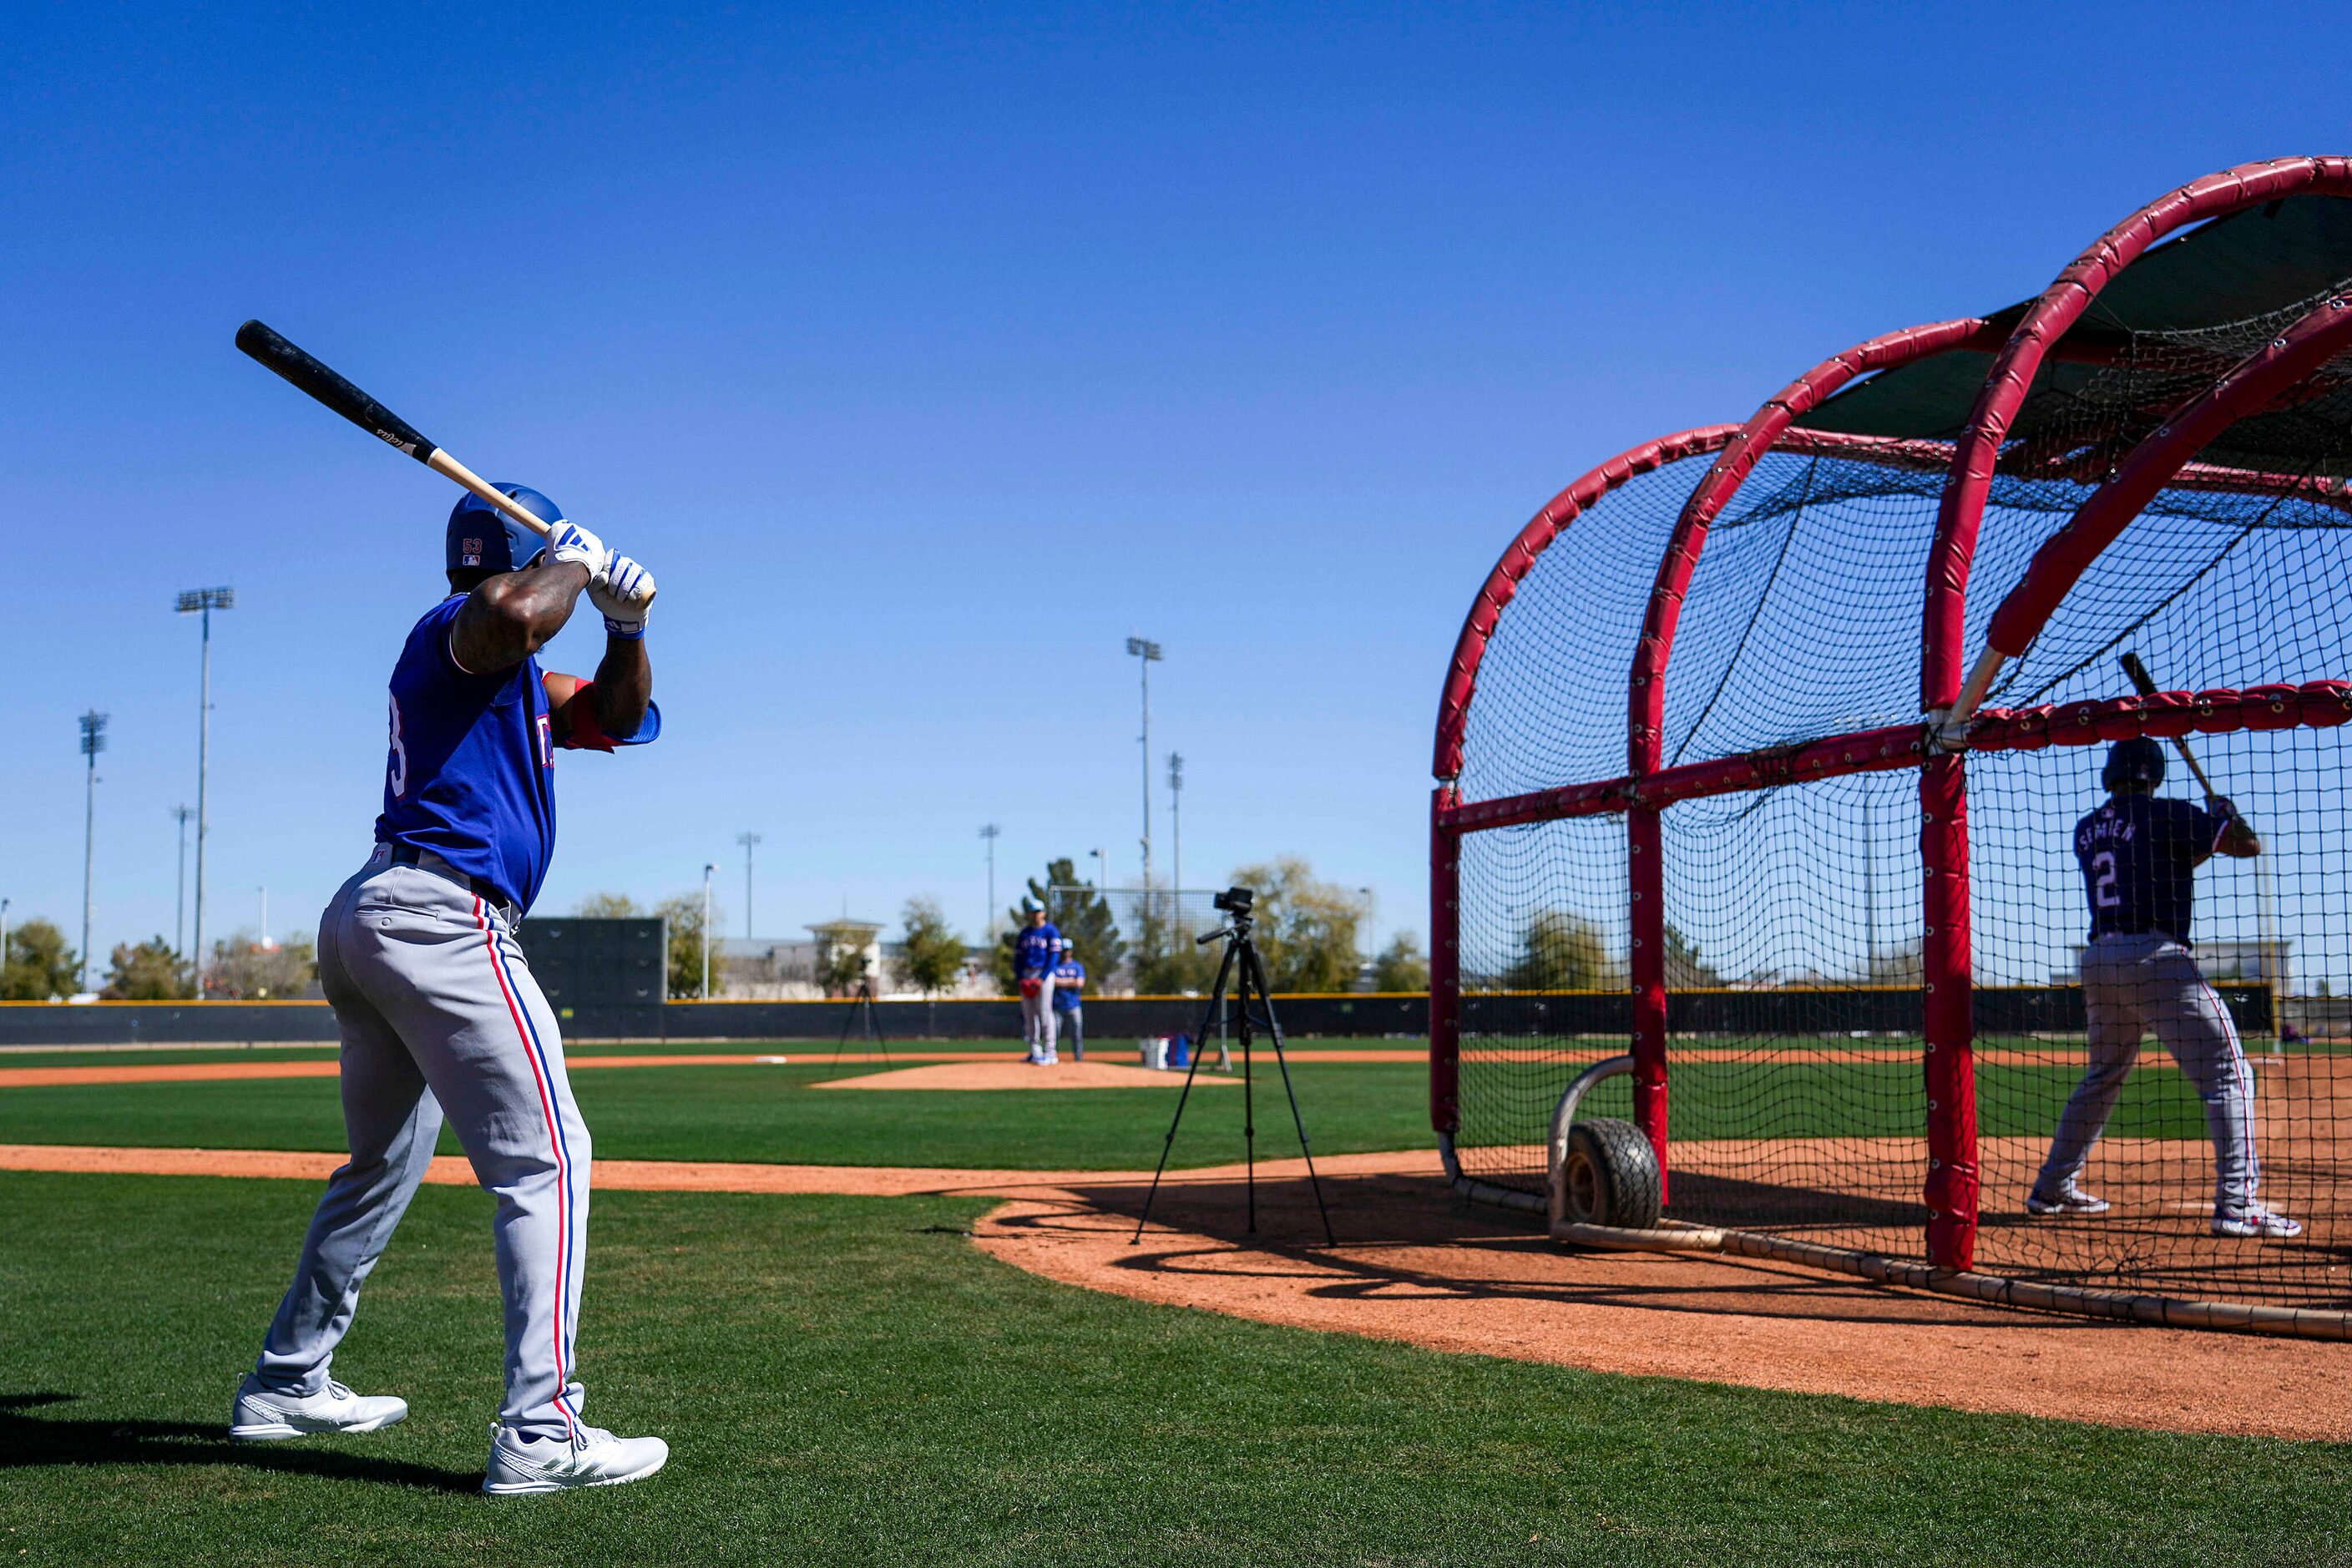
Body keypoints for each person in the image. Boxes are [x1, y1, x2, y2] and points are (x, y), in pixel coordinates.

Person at [230, 484, 677, 1493]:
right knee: (549, 1161)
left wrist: (624, 623)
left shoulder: (515, 678)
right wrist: (573, 559)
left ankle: (286, 1381)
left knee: (382, 1164)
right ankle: (540, 1432)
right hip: (442, 914)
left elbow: (621, 713)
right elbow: (511, 613)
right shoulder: (459, 632)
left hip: (382, 915)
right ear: (525, 553)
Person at [2026, 736, 2299, 1239]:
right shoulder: (2169, 813)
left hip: (2101, 959)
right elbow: (2248, 845)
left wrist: (2210, 828)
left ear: (2111, 774)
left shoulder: (2087, 829)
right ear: (2155, 775)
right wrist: (2223, 815)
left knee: (2102, 1076)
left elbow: (2163, 862)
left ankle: (2052, 1187)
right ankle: (2238, 1206)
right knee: (2229, 1074)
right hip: (2156, 958)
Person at [1013, 906, 1062, 1065]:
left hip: (1044, 974)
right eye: (1033, 912)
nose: (1035, 915)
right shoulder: (1025, 933)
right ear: (1029, 914)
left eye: (1038, 911)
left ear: (1044, 913)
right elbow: (1018, 959)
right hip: (1027, 974)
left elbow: (1054, 957)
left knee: (1045, 1011)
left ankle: (1051, 1052)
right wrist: (1021, 978)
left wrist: (1042, 978)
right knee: (1029, 1014)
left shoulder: (1051, 931)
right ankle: (1035, 1051)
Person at [1051, 938, 1086, 1061]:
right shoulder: (1055, 965)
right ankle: (1051, 1057)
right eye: (1064, 950)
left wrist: (1062, 982)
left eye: (1068, 950)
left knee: (1077, 1035)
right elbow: (1052, 981)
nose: (1066, 952)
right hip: (1057, 1006)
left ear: (1071, 951)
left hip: (1074, 1005)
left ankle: (1079, 1059)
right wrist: (1072, 981)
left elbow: (1080, 983)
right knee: (1054, 1034)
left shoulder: (1077, 966)